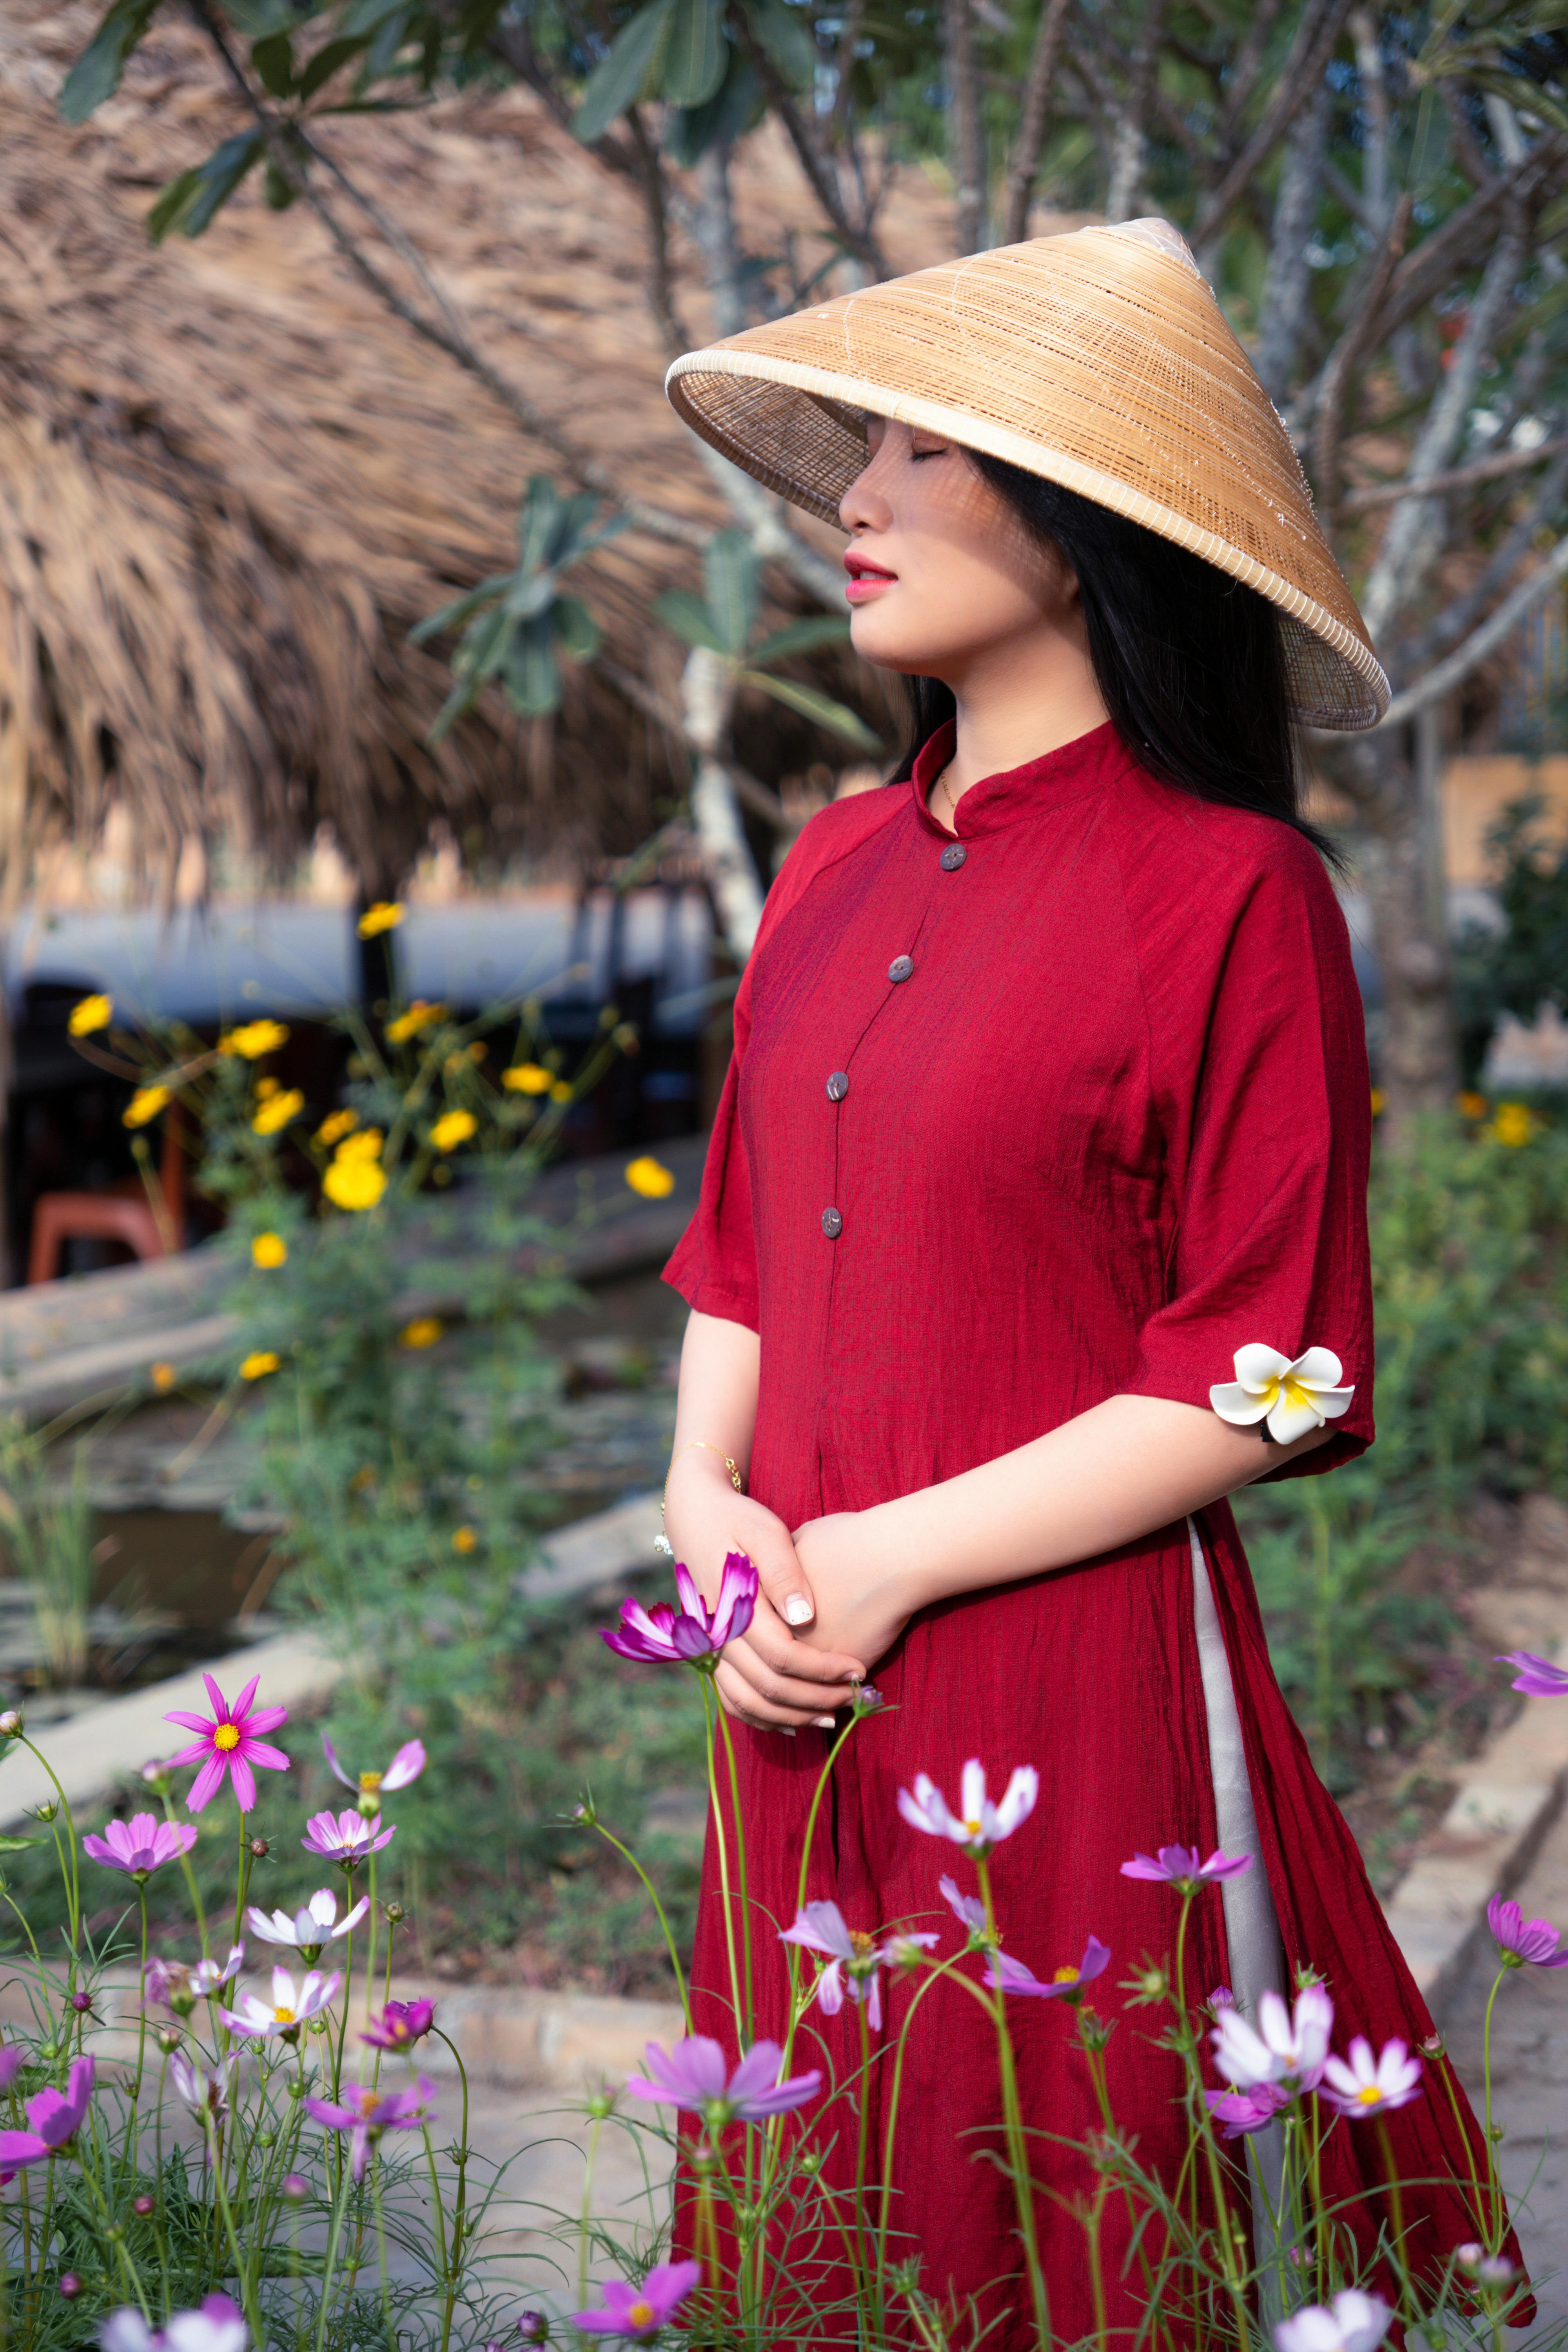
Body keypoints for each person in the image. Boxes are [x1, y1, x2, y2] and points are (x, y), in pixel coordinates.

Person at [657, 221, 1519, 2341]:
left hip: (1068, 1698)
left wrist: (884, 1563)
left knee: (1079, 2237)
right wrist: (708, 1513)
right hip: (785, 1680)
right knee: (812, 2236)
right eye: (858, 453)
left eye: (919, 454)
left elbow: (1285, 1374)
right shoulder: (831, 869)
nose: (853, 501)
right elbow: (746, 1251)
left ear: (1085, 519)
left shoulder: (1234, 897)